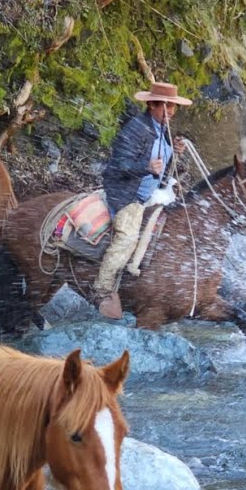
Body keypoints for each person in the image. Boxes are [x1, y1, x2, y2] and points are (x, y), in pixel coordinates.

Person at [96, 81, 192, 319]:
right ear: (151, 105)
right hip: (126, 194)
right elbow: (118, 166)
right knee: (127, 237)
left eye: (173, 107)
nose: (169, 112)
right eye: (165, 106)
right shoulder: (134, 130)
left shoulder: (163, 130)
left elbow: (164, 170)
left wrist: (176, 152)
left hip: (151, 194)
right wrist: (145, 166)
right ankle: (103, 289)